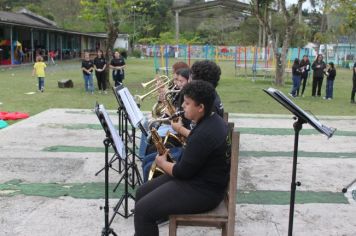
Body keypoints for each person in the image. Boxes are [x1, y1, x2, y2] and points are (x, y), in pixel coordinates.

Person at [134, 80, 230, 236]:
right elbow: (197, 144)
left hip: (204, 191)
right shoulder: (212, 120)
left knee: (143, 211)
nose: (183, 106)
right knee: (141, 192)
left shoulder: (204, 133)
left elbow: (181, 172)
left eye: (187, 103)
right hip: (198, 178)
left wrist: (162, 163)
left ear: (200, 108)